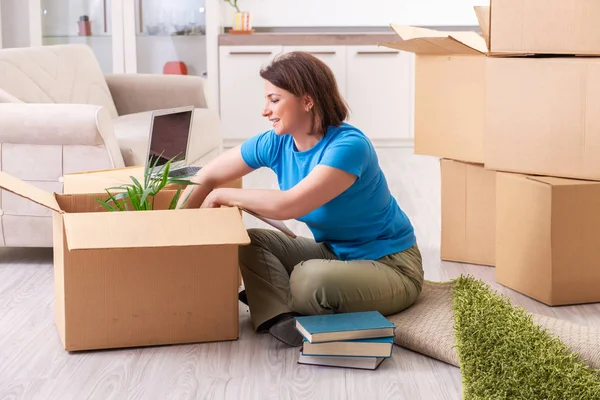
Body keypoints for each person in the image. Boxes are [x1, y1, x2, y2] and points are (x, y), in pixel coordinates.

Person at [178, 51, 424, 347]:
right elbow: (205, 175)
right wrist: (174, 232)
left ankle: (280, 295)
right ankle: (279, 317)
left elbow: (290, 205)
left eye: (274, 99)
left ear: (307, 101)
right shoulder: (276, 141)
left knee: (309, 279)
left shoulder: (349, 146)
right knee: (252, 241)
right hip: (335, 254)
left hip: (390, 265)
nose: (264, 111)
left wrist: (223, 195)